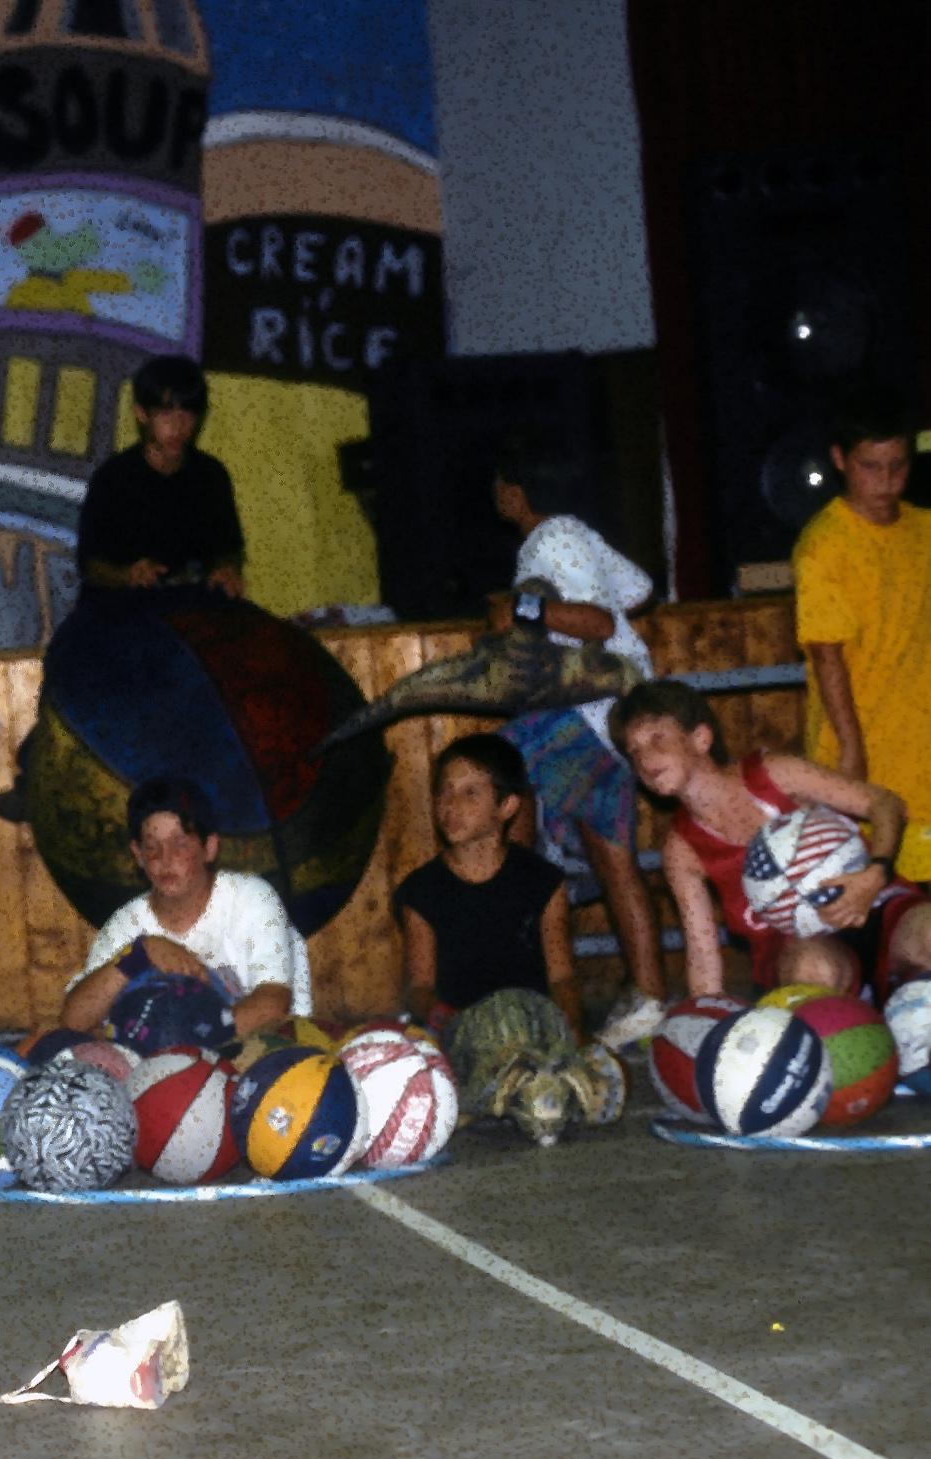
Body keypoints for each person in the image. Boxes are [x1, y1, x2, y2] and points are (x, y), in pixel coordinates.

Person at [481, 442, 667, 1049]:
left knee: (495, 787)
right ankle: (649, 999)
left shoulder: (549, 538)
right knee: (613, 857)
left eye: (498, 485)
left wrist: (520, 608)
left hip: (587, 712)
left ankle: (525, 989)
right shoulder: (577, 533)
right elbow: (638, 591)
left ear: (514, 493)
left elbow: (599, 622)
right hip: (615, 716)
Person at [611, 679, 931, 1002]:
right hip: (796, 946)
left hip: (873, 904)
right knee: (811, 969)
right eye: (633, 751)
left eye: (657, 739)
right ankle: (844, 1021)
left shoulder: (774, 774)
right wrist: (705, 1019)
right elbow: (703, 957)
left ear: (701, 738)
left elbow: (885, 803)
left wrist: (875, 874)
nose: (645, 759)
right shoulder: (682, 850)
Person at [793, 385, 931, 882]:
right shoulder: (824, 545)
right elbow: (827, 655)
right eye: (870, 467)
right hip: (866, 758)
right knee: (877, 899)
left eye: (898, 466)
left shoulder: (925, 529)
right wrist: (851, 752)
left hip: (922, 745)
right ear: (839, 459)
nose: (886, 481)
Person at [56, 777, 309, 1040]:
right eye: (152, 847)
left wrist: (182, 1042)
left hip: (262, 1048)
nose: (165, 859)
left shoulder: (250, 899)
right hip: (160, 1057)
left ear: (209, 848)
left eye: (180, 844)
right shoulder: (125, 926)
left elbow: (273, 1002)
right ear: (138, 854)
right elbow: (71, 1022)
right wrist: (138, 955)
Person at [393, 735, 577, 1041]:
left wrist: (569, 1027)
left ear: (506, 806)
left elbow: (562, 977)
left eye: (470, 794)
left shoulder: (543, 882)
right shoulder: (420, 891)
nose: (452, 805)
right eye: (444, 791)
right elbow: (420, 990)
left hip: (528, 1029)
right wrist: (454, 1023)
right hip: (455, 1032)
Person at [76, 356, 245, 597]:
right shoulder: (113, 478)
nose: (178, 425)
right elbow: (91, 566)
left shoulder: (211, 476)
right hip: (120, 605)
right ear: (142, 413)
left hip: (189, 602)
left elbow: (229, 549)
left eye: (187, 412)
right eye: (166, 413)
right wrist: (126, 575)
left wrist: (226, 569)